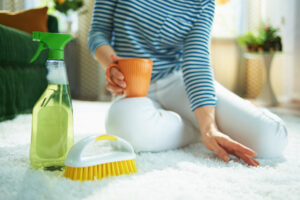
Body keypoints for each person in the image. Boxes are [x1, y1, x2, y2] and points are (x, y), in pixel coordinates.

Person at [88, 0, 288, 166]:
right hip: (131, 86)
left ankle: (205, 126)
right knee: (124, 129)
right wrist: (112, 66)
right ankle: (195, 128)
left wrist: (210, 127)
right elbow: (98, 32)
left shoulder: (202, 3)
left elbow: (196, 62)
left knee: (271, 139)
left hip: (178, 82)